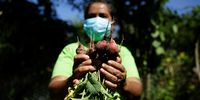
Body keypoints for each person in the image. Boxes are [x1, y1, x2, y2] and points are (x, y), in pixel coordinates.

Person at [48, 0, 143, 100]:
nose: (97, 19)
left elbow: (137, 91)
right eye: (92, 16)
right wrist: (72, 79)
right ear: (85, 20)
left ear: (112, 21)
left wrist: (123, 83)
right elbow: (53, 89)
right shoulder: (71, 49)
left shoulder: (122, 51)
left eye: (102, 16)